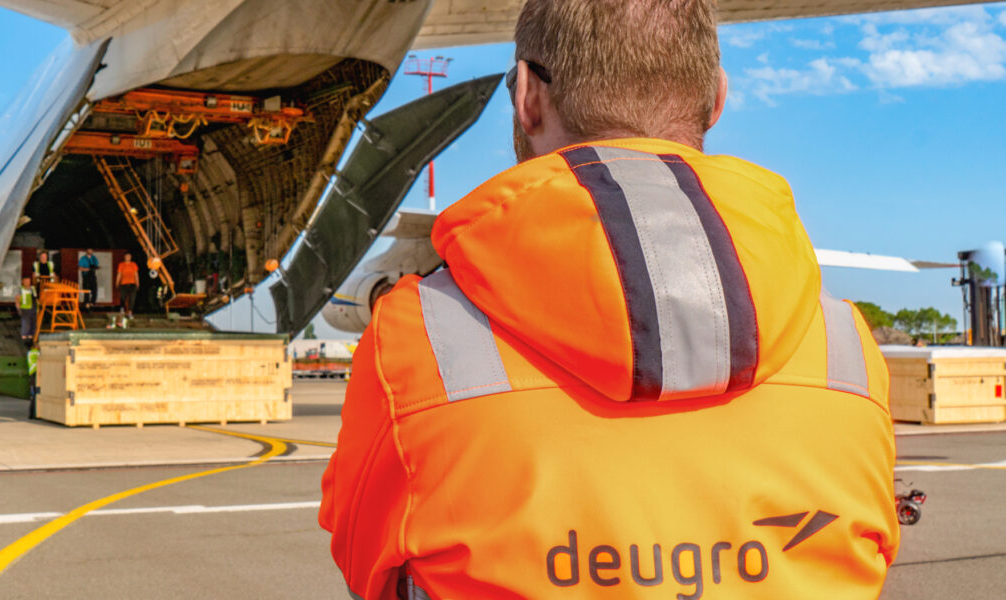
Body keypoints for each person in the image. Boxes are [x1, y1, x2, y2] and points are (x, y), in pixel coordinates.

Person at [320, 2, 899, 599]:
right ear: (717, 99)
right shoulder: (842, 342)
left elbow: (363, 556)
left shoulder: (417, 338)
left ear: (527, 97)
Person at [115, 252, 139, 318]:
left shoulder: (133, 264)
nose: (127, 258)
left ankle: (130, 312)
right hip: (123, 283)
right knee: (123, 297)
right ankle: (122, 308)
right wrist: (117, 283)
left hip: (132, 283)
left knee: (132, 298)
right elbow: (119, 274)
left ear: (130, 257)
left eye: (129, 256)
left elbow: (136, 274)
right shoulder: (121, 264)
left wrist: (137, 283)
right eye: (126, 256)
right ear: (124, 257)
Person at [17, 277, 37, 342]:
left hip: (33, 307)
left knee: (33, 322)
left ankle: (31, 336)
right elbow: (17, 299)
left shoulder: (32, 288)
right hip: (24, 307)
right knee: (26, 322)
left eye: (29, 281)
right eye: (26, 282)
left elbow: (36, 297)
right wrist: (18, 308)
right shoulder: (20, 289)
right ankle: (24, 336)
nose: (28, 283)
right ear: (23, 282)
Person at [26, 346, 39, 419]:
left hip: (32, 375)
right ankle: (34, 414)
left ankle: (31, 415)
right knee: (36, 395)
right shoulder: (36, 353)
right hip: (35, 375)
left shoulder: (30, 352)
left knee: (33, 395)